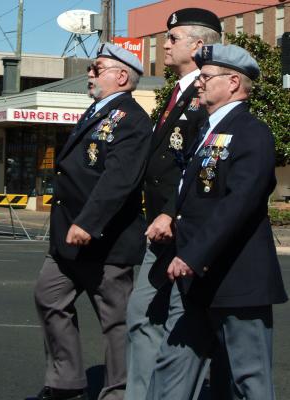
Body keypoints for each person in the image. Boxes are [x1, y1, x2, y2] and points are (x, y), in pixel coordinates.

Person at [146, 43, 288, 400]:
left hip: (235, 278)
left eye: (207, 77)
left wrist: (193, 255)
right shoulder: (206, 132)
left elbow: (238, 203)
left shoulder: (251, 132)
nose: (199, 84)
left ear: (234, 82)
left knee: (248, 379)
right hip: (197, 280)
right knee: (172, 367)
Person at [33, 43, 153, 400]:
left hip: (105, 240)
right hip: (68, 238)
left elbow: (119, 179)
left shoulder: (131, 119)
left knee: (115, 320)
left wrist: (89, 222)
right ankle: (66, 383)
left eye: (95, 67)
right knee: (48, 296)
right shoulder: (96, 111)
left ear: (120, 76)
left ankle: (118, 392)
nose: (89, 73)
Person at [125, 8, 221, 400]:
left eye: (172, 38)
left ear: (199, 45)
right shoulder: (180, 90)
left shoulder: (207, 93)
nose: (164, 44)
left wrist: (169, 211)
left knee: (176, 323)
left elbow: (199, 162)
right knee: (145, 316)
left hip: (181, 225)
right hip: (161, 225)